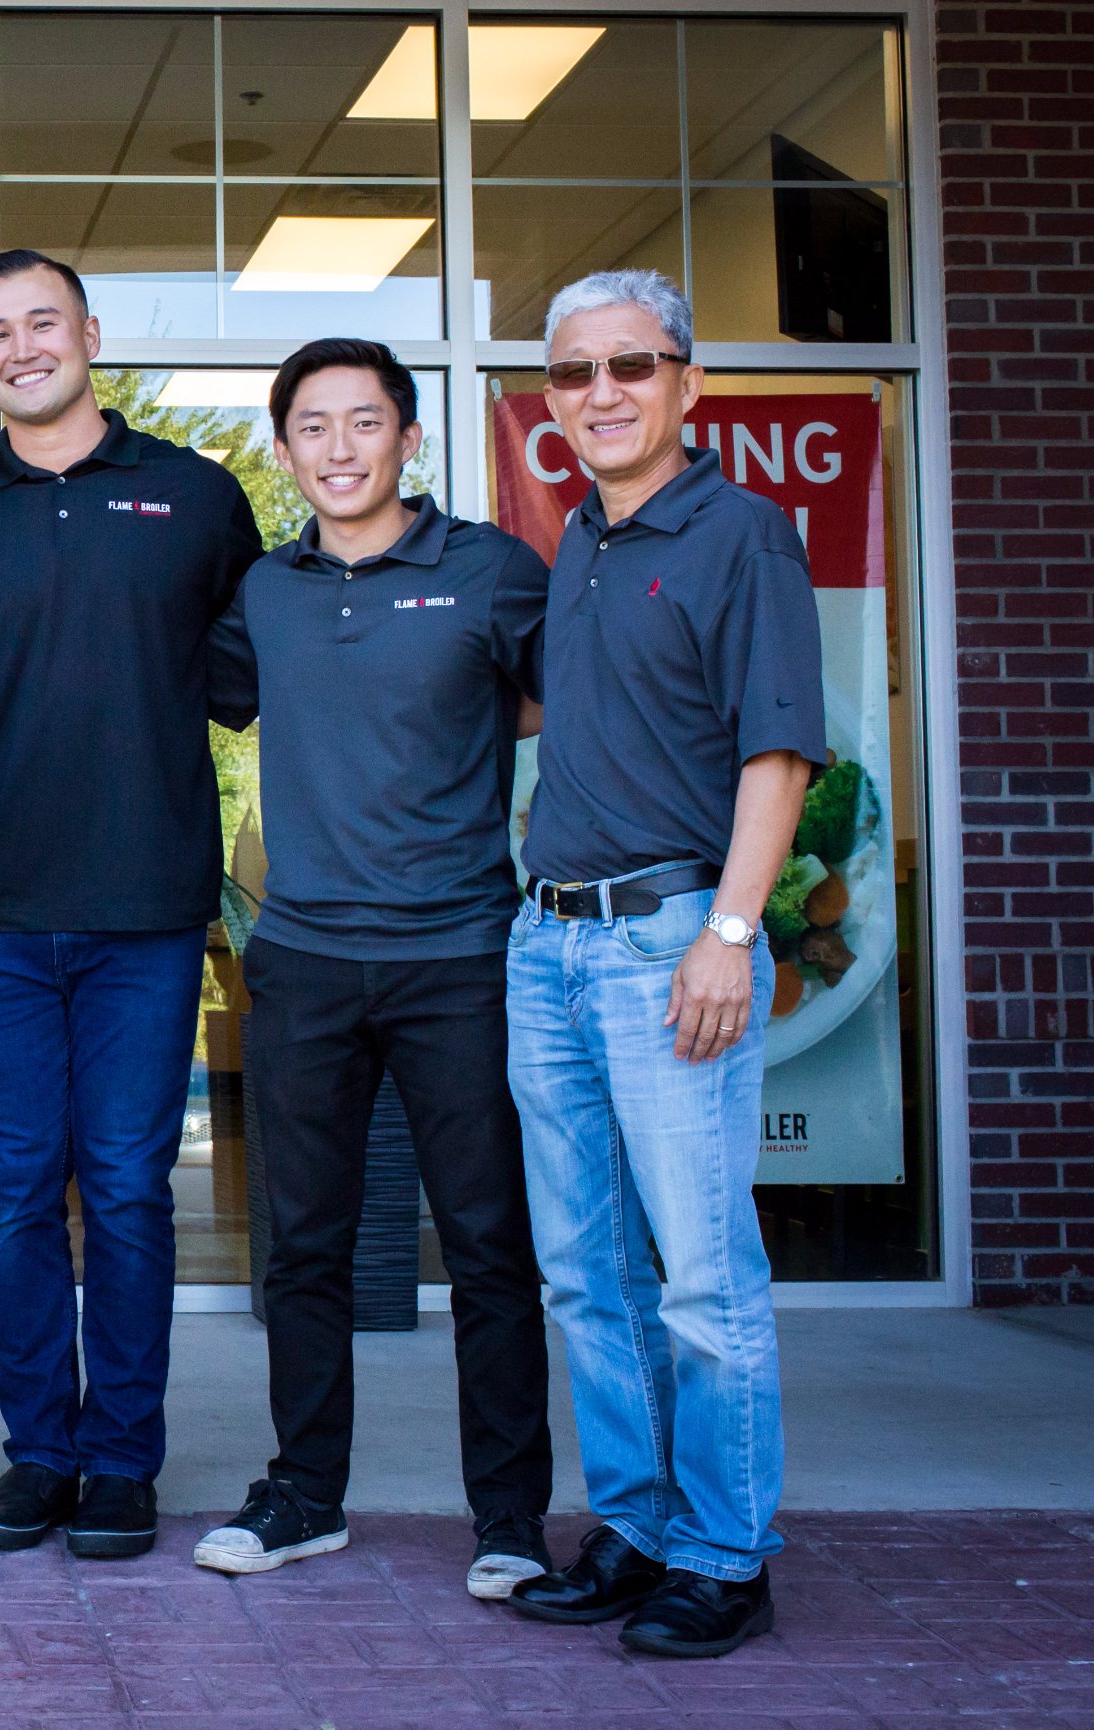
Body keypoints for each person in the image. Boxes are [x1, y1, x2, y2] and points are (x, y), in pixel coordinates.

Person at [0, 250, 263, 1559]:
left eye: (39, 322)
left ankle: (119, 1457)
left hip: (144, 908)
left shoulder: (192, 495)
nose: (18, 346)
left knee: (122, 1187)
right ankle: (35, 1452)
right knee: (14, 1193)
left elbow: (262, 664)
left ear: (89, 334)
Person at [195, 338, 555, 1598]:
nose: (338, 449)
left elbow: (556, 704)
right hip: (301, 960)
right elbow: (210, 697)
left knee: (488, 1244)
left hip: (461, 957)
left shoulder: (495, 572)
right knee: (303, 1243)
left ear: (409, 437)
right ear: (286, 446)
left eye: (364, 423)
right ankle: (304, 1493)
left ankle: (509, 1515)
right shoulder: (264, 591)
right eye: (311, 426)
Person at [502, 270, 822, 1659]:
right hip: (548, 942)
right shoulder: (572, 537)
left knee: (699, 1273)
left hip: (667, 941)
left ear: (686, 383)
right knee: (585, 1272)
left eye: (630, 364)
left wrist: (729, 932)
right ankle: (630, 1527)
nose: (601, 392)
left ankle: (720, 1549)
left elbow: (777, 751)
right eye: (572, 373)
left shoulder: (739, 535)